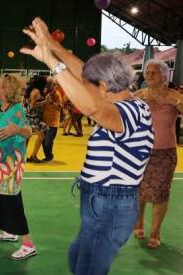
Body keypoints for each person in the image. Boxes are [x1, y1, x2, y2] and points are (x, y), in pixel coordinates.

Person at [21, 18, 153, 274]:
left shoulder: (131, 111)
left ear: (103, 86)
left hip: (111, 203)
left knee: (87, 269)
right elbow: (86, 74)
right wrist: (52, 45)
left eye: (89, 84)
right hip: (100, 199)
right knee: (77, 259)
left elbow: (92, 107)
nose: (83, 84)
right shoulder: (124, 102)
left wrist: (52, 64)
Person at [0, 74, 36, 260]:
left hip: (10, 164)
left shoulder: (18, 110)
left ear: (7, 90)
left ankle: (28, 244)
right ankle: (9, 231)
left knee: (12, 201)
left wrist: (17, 130)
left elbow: (29, 131)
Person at [133, 60, 183, 249]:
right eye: (147, 72)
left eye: (154, 72)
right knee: (139, 191)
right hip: (139, 151)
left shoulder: (174, 95)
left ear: (164, 75)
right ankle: (138, 223)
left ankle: (155, 232)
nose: (150, 75)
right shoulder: (138, 96)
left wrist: (176, 103)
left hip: (165, 153)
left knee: (161, 193)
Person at [25, 76, 48, 163]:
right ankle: (33, 156)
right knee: (41, 136)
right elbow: (32, 106)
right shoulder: (36, 91)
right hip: (33, 117)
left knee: (27, 137)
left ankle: (24, 156)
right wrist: (44, 102)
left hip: (30, 116)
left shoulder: (31, 90)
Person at [42, 77, 62, 162]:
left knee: (48, 141)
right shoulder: (45, 93)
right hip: (44, 121)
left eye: (50, 84)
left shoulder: (57, 94)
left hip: (53, 122)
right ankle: (48, 156)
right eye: (47, 84)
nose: (48, 86)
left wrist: (51, 102)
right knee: (43, 141)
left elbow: (60, 107)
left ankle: (50, 155)